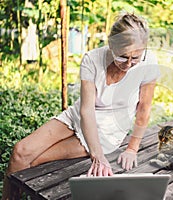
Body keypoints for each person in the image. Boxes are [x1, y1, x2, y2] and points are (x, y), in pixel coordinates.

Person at [2, 12, 160, 199]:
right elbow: (86, 110)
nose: (129, 64)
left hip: (107, 131)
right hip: (81, 115)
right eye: (123, 57)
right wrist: (97, 156)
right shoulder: (92, 59)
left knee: (35, 161)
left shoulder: (149, 63)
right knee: (20, 153)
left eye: (136, 58)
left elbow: (144, 108)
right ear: (111, 44)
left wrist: (132, 149)